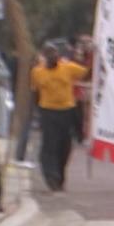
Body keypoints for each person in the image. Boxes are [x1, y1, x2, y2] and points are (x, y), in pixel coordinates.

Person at [30, 42, 89, 192]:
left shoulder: (68, 67)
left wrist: (91, 55)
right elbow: (35, 91)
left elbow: (87, 73)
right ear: (44, 58)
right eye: (49, 55)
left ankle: (60, 177)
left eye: (54, 54)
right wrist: (37, 111)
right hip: (48, 112)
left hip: (66, 111)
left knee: (65, 146)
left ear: (58, 56)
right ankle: (51, 176)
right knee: (49, 146)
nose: (52, 57)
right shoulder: (37, 72)